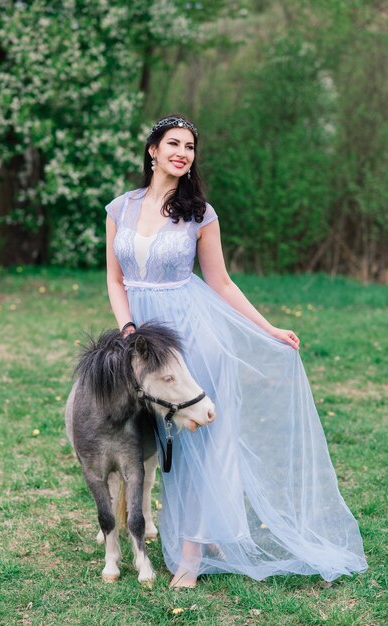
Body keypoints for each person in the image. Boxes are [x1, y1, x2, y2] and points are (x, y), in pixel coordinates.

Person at [105, 114, 367, 589]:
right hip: (139, 339)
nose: (182, 153)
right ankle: (137, 529)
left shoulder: (199, 213)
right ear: (152, 151)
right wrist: (127, 328)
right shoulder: (120, 208)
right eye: (173, 144)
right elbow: (115, 278)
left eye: (190, 147)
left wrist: (269, 328)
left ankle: (193, 551)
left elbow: (220, 282)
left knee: (199, 439)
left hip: (191, 333)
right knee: (145, 437)